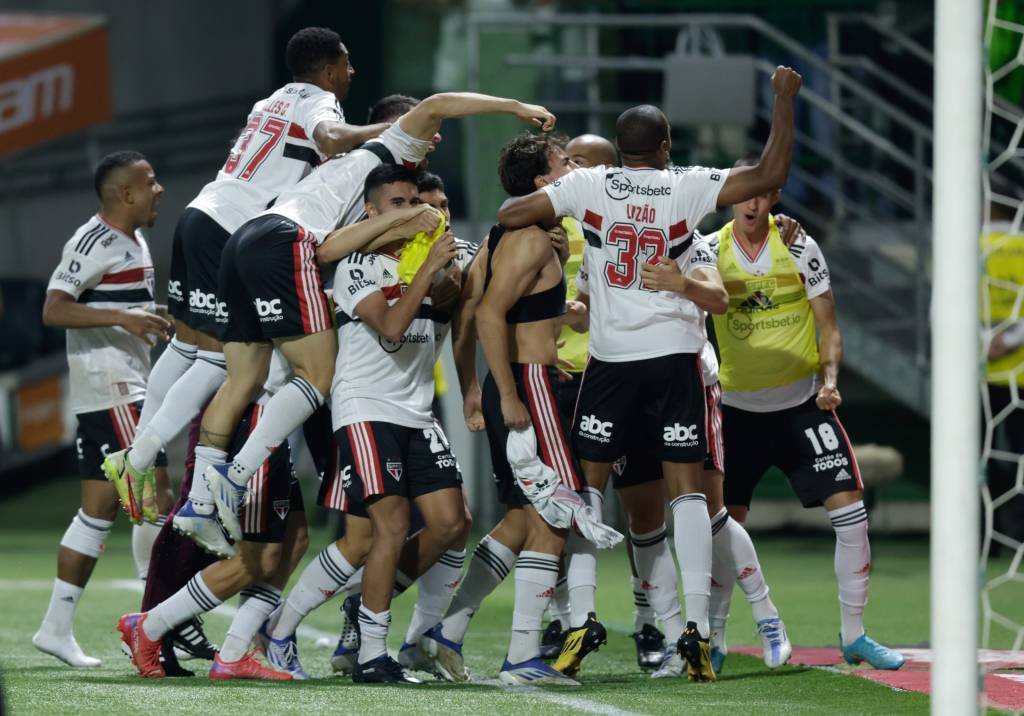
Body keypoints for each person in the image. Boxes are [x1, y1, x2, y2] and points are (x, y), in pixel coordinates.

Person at [495, 66, 803, 682]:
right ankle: (694, 628)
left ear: (617, 147)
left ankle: (581, 617)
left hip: (609, 364)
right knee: (687, 492)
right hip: (675, 359)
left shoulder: (589, 187)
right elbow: (769, 175)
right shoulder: (686, 188)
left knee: (588, 490)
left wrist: (559, 210)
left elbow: (509, 212)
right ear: (664, 147)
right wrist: (783, 101)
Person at [187, 92, 555, 559]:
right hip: (287, 244)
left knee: (243, 379)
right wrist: (516, 108)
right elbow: (440, 103)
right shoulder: (392, 150)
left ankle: (199, 501)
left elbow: (331, 248)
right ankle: (234, 479)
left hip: (246, 239)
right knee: (316, 376)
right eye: (428, 133)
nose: (435, 138)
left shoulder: (353, 179)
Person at [102, 27, 387, 539]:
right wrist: (382, 133)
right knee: (219, 361)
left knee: (188, 347)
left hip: (202, 215)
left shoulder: (271, 100)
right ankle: (146, 460)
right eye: (347, 65)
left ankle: (144, 454)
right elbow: (328, 137)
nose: (352, 73)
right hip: (232, 230)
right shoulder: (322, 102)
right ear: (329, 70)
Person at [699, 154, 903, 671]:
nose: (752, 201)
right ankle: (716, 639)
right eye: (743, 191)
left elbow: (828, 325)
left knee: (852, 513)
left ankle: (855, 635)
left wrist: (831, 381)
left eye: (762, 192)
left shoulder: (800, 246)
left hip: (802, 408)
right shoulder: (707, 250)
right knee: (725, 525)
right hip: (737, 413)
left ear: (774, 197)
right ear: (730, 197)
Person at [420, 132, 585, 687]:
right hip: (528, 388)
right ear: (542, 182)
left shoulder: (505, 236)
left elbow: (471, 311)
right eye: (565, 163)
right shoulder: (531, 240)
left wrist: (477, 386)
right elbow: (488, 315)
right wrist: (512, 392)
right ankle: (520, 657)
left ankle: (448, 632)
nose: (575, 169)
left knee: (519, 520)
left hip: (518, 381)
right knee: (556, 515)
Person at [34, 151, 170, 668]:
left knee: (98, 510)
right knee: (153, 496)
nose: (159, 189)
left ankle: (54, 628)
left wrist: (150, 317)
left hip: (122, 383)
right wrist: (124, 319)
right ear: (125, 194)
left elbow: (124, 306)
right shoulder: (93, 240)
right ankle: (155, 622)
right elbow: (54, 308)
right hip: (113, 387)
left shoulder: (135, 238)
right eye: (150, 181)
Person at [117, 354, 309, 680]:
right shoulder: (263, 305)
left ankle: (233, 654)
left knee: (295, 537)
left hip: (276, 416)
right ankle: (151, 625)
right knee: (258, 557)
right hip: (257, 418)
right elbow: (200, 356)